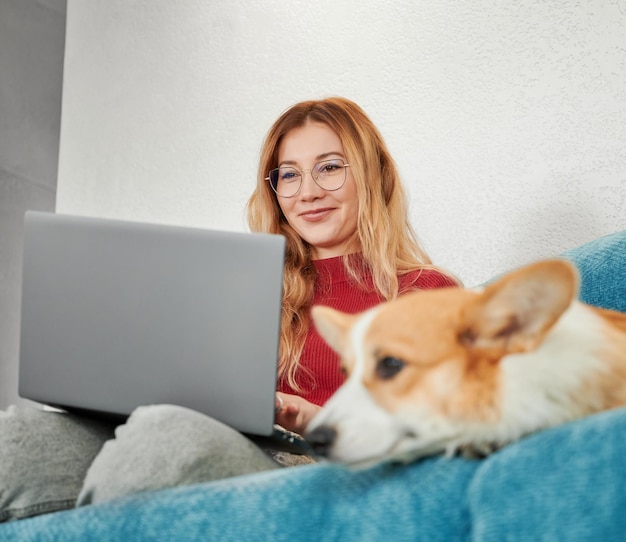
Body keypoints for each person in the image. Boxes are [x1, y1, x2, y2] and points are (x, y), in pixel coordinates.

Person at [0, 96, 459, 522]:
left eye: (330, 167)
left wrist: (315, 419)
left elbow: (444, 437)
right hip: (200, 438)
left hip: (319, 469)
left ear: (375, 174)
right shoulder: (243, 285)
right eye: (290, 174)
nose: (309, 191)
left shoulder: (427, 294)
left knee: (166, 435)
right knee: (17, 440)